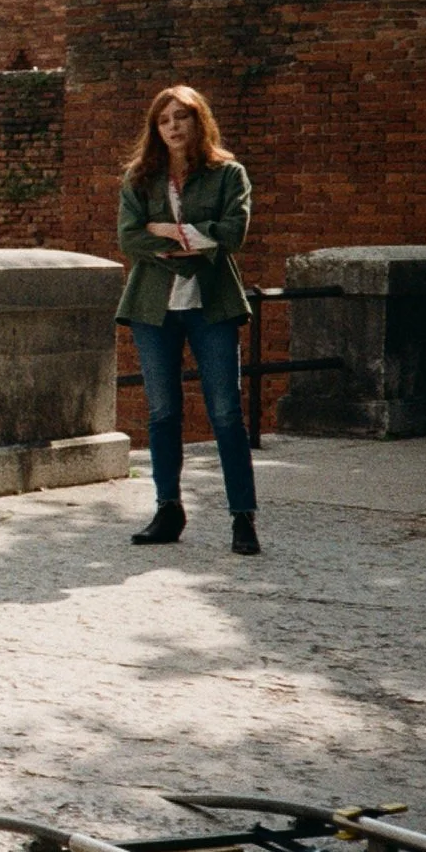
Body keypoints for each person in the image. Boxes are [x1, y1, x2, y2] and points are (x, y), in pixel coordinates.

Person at [116, 85, 260, 555]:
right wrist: (193, 243)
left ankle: (242, 518)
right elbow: (128, 239)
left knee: (225, 413)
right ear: (155, 129)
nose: (174, 126)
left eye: (183, 117)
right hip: (153, 308)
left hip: (211, 305)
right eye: (165, 120)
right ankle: (168, 509)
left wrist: (172, 233)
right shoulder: (141, 177)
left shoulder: (227, 175)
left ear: (200, 122)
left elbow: (233, 235)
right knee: (162, 413)